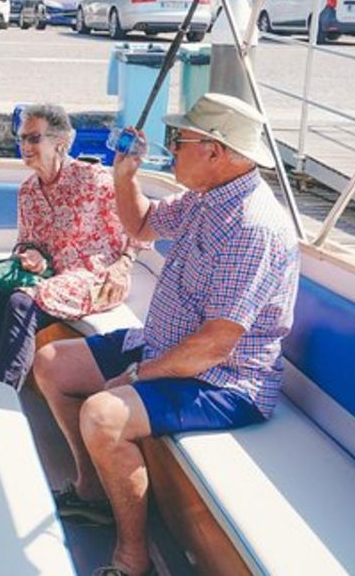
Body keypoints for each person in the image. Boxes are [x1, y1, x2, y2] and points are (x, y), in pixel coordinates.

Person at [32, 93, 300, 576]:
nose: (172, 146)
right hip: (164, 347)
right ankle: (93, 491)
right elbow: (141, 224)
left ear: (215, 151)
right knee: (52, 363)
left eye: (181, 139)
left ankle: (133, 559)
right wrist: (125, 176)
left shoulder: (252, 227)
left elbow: (216, 345)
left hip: (223, 382)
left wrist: (136, 375)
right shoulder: (206, 200)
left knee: (103, 414)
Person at [0, 104, 135, 388]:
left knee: (21, 301)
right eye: (22, 138)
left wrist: (123, 266)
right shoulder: (28, 191)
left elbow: (141, 226)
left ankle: (2, 395)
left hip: (97, 279)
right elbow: (24, 243)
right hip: (50, 277)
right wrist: (30, 255)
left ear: (60, 143)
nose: (24, 145)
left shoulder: (94, 180)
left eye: (34, 138)